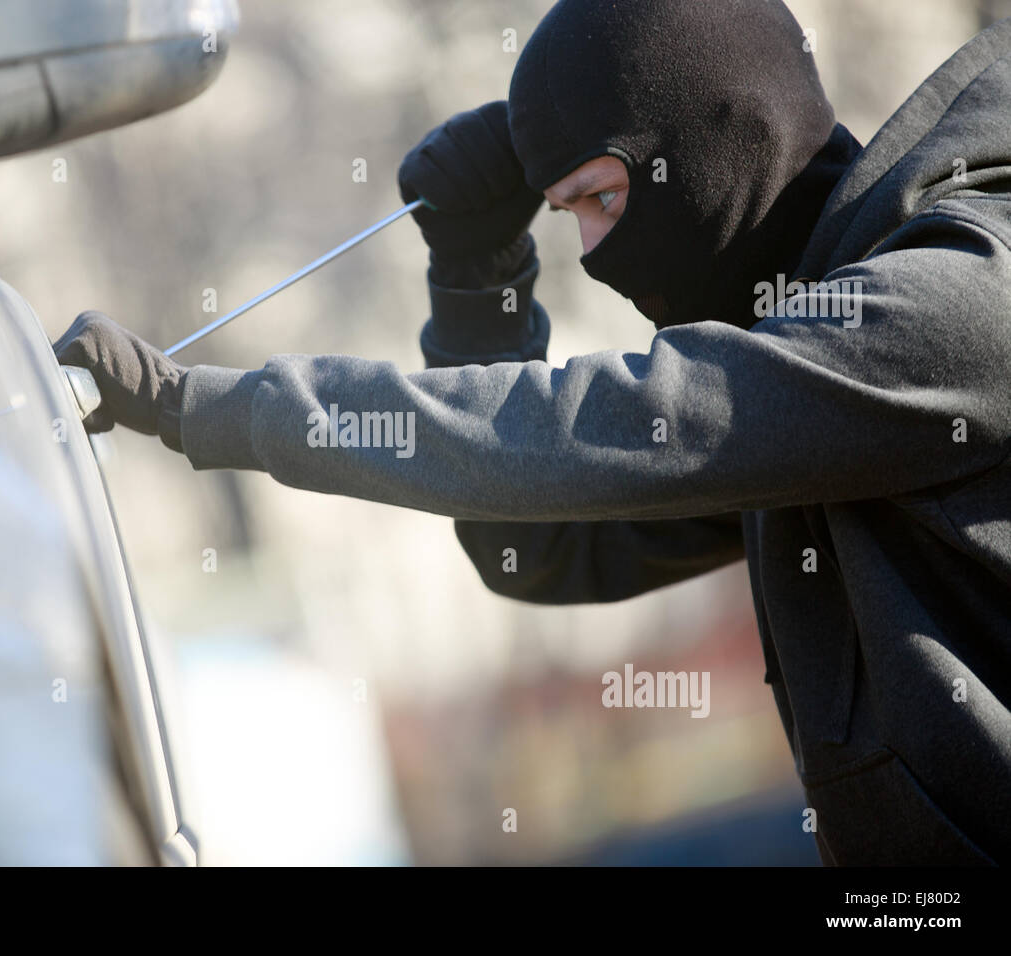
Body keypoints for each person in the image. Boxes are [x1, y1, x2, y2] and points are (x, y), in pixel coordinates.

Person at [53, 0, 1011, 865]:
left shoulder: (953, 304)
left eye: (603, 197)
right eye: (566, 218)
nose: (593, 256)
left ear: (719, 138)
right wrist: (480, 280)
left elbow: (635, 420)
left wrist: (208, 409)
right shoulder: (801, 381)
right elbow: (536, 551)